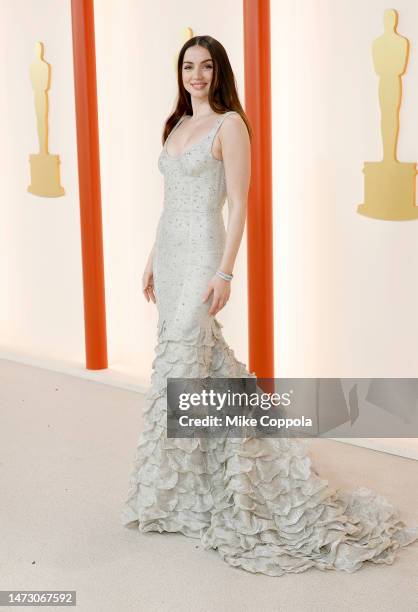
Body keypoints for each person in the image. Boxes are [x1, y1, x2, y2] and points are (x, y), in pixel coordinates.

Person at [121, 35, 418, 576]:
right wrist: (149, 259)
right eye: (188, 66)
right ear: (179, 72)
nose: (196, 75)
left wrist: (225, 271)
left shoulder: (230, 126)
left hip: (205, 254)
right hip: (170, 252)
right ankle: (195, 485)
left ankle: (217, 486)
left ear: (219, 72)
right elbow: (169, 205)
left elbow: (240, 205)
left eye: (206, 66)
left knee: (188, 363)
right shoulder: (175, 126)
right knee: (190, 365)